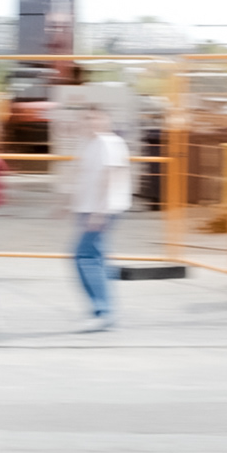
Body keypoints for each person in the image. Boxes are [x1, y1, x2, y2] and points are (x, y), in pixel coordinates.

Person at [61, 100, 133, 330]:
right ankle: (101, 309)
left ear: (106, 119)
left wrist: (100, 212)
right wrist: (68, 204)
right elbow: (81, 176)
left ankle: (103, 311)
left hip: (101, 210)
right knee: (94, 258)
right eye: (85, 118)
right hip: (87, 209)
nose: (89, 123)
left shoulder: (109, 142)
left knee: (84, 257)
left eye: (94, 118)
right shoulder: (88, 143)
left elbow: (111, 177)